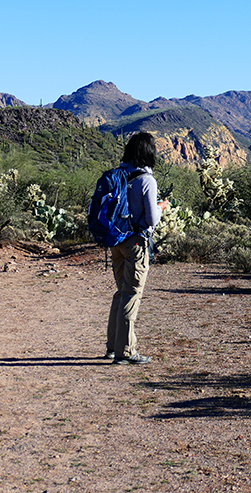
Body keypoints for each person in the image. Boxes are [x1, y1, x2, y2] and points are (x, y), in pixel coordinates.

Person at [105, 132, 169, 365]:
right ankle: (126, 351)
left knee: (122, 291)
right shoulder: (146, 180)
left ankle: (112, 346)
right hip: (136, 243)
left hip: (116, 242)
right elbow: (152, 219)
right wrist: (161, 206)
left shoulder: (118, 175)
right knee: (132, 293)